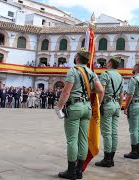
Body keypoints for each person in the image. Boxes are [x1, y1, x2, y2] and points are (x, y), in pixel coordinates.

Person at [56, 48, 104, 179]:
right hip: (87, 107)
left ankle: (71, 171)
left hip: (75, 107)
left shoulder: (73, 70)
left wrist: (59, 107)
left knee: (72, 140)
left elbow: (66, 92)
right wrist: (97, 105)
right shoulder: (91, 73)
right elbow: (100, 90)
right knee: (83, 139)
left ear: (77, 58)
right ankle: (79, 171)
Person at [95, 56, 124, 167]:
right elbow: (121, 94)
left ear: (110, 63)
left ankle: (107, 159)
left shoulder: (105, 74)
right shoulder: (120, 77)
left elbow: (101, 91)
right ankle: (111, 157)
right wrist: (119, 106)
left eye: (107, 62)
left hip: (107, 104)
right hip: (116, 104)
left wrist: (98, 105)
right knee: (114, 132)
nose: (106, 63)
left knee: (107, 133)